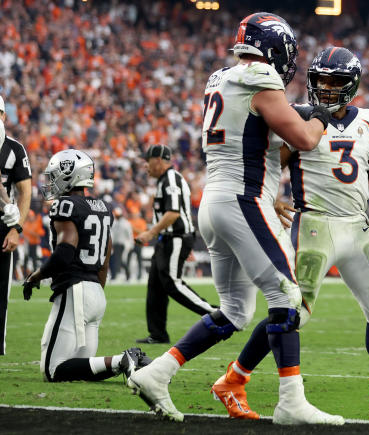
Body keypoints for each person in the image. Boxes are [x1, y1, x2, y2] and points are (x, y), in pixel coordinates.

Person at [126, 13, 342, 425]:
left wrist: (269, 194)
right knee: (288, 299)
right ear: (276, 49)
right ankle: (291, 402)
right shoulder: (260, 75)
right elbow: (305, 139)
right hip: (242, 201)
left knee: (236, 311)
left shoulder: (223, 77)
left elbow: (258, 143)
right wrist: (320, 115)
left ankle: (157, 373)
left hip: (218, 202)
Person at [210, 47, 369, 421]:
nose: (327, 89)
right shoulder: (297, 116)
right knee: (292, 311)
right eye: (321, 81)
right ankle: (233, 379)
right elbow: (267, 167)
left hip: (358, 225)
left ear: (352, 85)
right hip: (313, 225)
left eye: (336, 82)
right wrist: (269, 200)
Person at [21, 149, 150, 381]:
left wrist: (34, 277)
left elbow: (64, 252)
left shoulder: (66, 205)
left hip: (75, 292)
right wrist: (97, 290)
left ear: (70, 174)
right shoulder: (102, 207)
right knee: (80, 368)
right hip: (95, 293)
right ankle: (129, 363)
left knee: (52, 370)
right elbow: (106, 256)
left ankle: (124, 359)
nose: (51, 181)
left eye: (55, 175)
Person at [134, 145, 217, 344]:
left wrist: (150, 233)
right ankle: (158, 333)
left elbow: (173, 213)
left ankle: (216, 314)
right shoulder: (165, 180)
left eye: (148, 162)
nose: (146, 167)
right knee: (155, 285)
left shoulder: (171, 179)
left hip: (176, 237)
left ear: (159, 160)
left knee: (172, 282)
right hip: (169, 239)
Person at [0, 107, 31, 356]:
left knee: (1, 291)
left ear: (4, 117)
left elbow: (25, 191)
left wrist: (16, 228)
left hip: (2, 226)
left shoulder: (14, 149)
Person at [109, 207, 133, 282]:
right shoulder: (115, 223)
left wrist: (130, 243)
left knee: (121, 260)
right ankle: (115, 275)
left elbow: (129, 234)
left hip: (123, 244)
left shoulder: (125, 223)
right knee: (116, 260)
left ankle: (125, 275)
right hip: (116, 244)